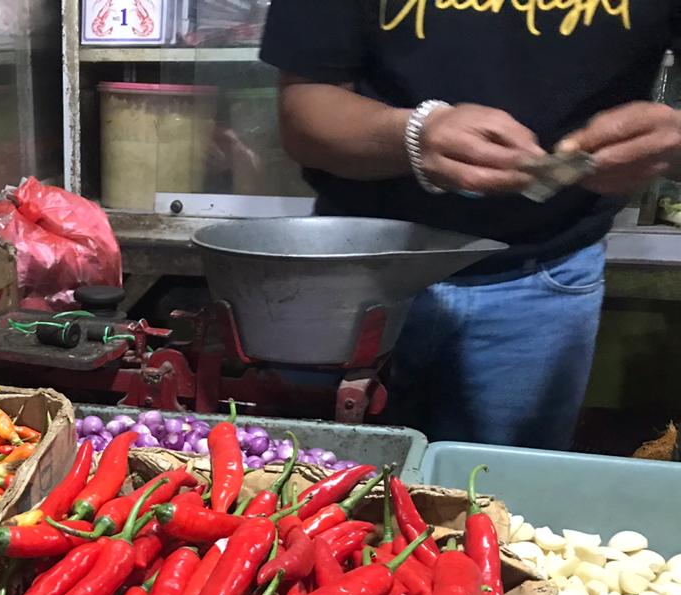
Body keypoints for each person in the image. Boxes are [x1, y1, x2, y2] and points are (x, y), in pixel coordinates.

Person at [259, 0, 681, 448]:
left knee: (508, 504)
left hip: (547, 273)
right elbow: (302, 112)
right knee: (314, 487)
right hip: (357, 271)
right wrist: (413, 135)